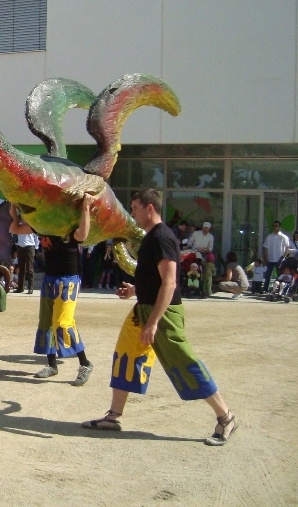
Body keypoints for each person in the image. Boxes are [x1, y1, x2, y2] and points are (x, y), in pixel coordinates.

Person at [82, 189, 236, 447]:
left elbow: (169, 282)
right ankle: (113, 416)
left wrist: (153, 322)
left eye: (135, 207)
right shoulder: (151, 237)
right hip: (144, 308)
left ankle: (225, 416)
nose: (132, 212)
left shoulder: (163, 237)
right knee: (126, 356)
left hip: (162, 314)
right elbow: (153, 278)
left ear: (149, 208)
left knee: (184, 360)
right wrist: (135, 290)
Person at [10, 199, 94, 386]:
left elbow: (83, 234)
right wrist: (15, 204)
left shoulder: (66, 226)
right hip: (50, 279)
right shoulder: (42, 227)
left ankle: (85, 363)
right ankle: (52, 365)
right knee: (46, 322)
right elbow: (14, 227)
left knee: (63, 323)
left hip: (68, 280)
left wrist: (86, 207)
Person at [188, 222, 215, 298]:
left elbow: (210, 248)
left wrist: (202, 249)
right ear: (202, 227)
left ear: (209, 229)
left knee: (205, 274)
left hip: (204, 255)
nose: (205, 229)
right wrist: (187, 246)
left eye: (207, 228)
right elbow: (190, 241)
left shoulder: (210, 237)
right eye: (204, 227)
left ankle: (205, 291)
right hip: (194, 254)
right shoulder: (196, 233)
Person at [262, 221, 290, 290]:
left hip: (279, 259)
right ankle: (265, 289)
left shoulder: (284, 237)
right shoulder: (269, 237)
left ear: (279, 227)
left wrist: (283, 257)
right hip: (270, 259)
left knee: (280, 276)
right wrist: (265, 259)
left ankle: (280, 289)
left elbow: (287, 248)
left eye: (276, 226)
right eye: (273, 225)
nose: (274, 227)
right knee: (267, 275)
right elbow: (266, 248)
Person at [14, 229, 38, 294]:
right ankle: (20, 287)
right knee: (21, 269)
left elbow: (36, 236)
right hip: (20, 247)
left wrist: (35, 247)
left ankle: (30, 288)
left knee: (30, 268)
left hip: (29, 247)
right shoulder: (19, 225)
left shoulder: (30, 225)